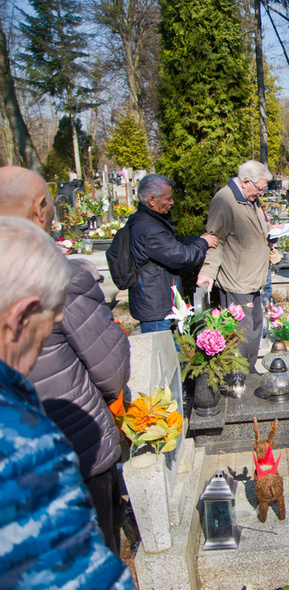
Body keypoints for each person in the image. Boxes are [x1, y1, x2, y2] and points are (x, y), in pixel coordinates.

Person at [0, 166, 131, 556]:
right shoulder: (56, 275)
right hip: (77, 442)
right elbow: (111, 370)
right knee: (96, 547)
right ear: (40, 208)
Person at [198, 160, 273, 372]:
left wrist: (272, 231)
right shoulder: (224, 200)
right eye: (259, 188)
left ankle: (248, 370)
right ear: (245, 181)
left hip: (253, 279)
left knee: (255, 329)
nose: (261, 193)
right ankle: (239, 376)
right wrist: (208, 273)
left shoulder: (250, 198)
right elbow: (215, 240)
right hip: (236, 280)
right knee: (241, 335)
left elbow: (257, 227)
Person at [129, 174, 218, 333]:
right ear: (152, 200)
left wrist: (197, 240)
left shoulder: (152, 221)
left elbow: (173, 244)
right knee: (162, 354)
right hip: (156, 309)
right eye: (168, 198)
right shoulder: (148, 229)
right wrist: (203, 243)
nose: (172, 202)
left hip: (160, 302)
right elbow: (181, 256)